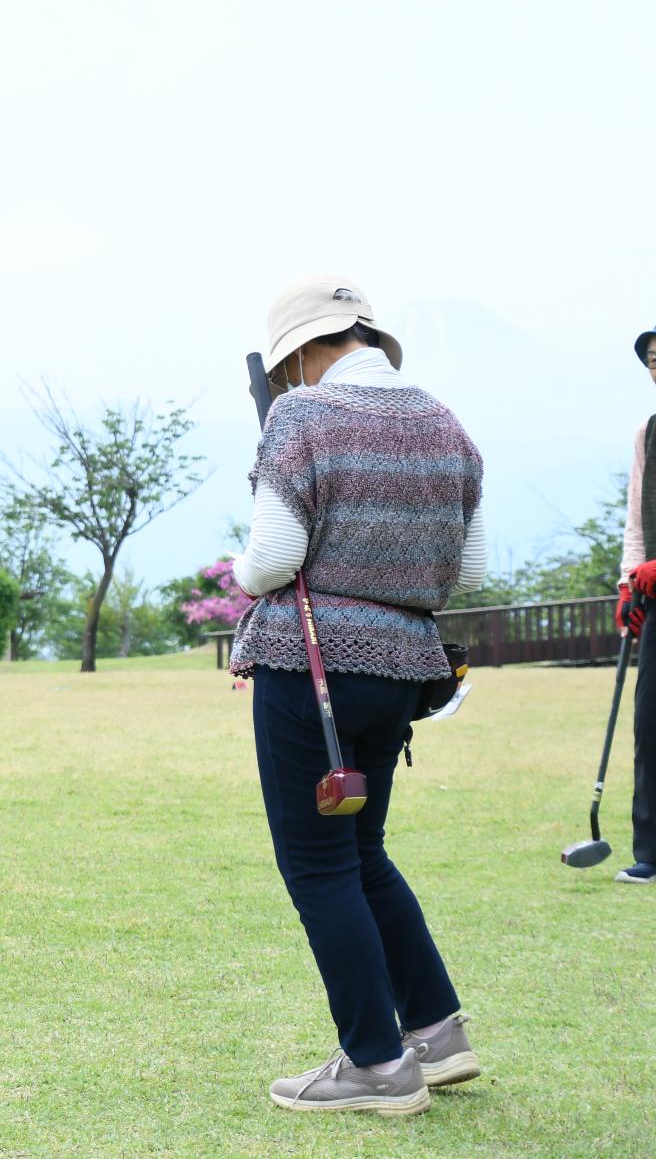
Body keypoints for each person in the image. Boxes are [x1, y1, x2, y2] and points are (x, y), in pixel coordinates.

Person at [228, 277, 486, 1116]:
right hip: (404, 670)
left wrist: (247, 564)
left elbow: (269, 561)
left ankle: (377, 1063)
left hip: (312, 669)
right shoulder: (446, 422)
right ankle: (437, 1033)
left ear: (302, 352)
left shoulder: (297, 417)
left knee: (318, 863)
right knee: (362, 851)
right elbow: (472, 571)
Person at [610, 325, 656, 884]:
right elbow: (637, 521)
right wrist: (628, 586)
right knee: (650, 721)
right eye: (650, 358)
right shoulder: (648, 432)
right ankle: (650, 848)